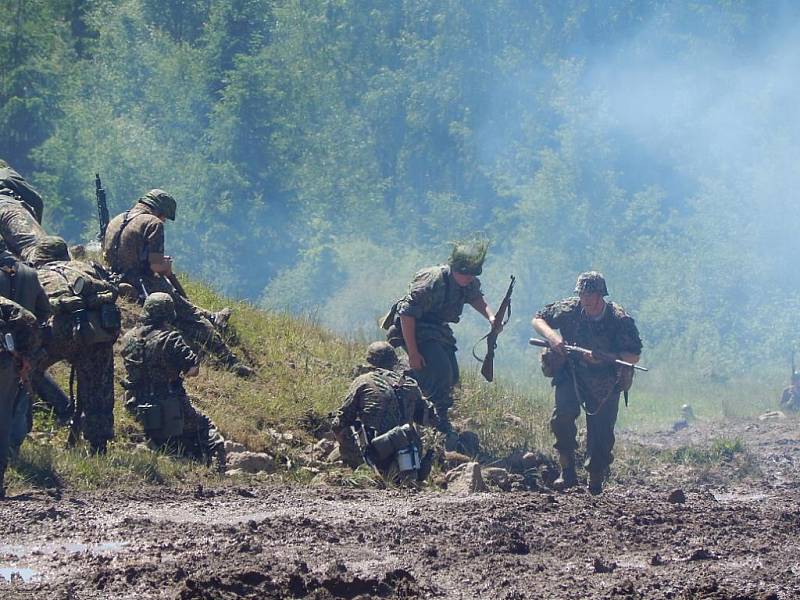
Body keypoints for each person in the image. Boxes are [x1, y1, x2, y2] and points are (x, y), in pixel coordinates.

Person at [103, 189, 250, 376]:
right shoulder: (153, 223)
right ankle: (231, 362)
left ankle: (213, 317)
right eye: (165, 217)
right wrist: (166, 269)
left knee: (186, 307)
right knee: (193, 318)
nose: (164, 221)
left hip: (113, 277)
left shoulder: (116, 220)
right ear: (160, 211)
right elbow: (156, 267)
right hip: (142, 282)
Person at [532, 271, 642, 495]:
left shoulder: (619, 319)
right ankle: (567, 470)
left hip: (606, 379)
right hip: (572, 372)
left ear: (601, 295)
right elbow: (537, 319)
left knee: (601, 431)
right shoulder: (569, 309)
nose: (586, 300)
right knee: (562, 416)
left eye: (590, 295)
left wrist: (607, 356)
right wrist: (554, 338)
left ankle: (595, 479)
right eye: (582, 294)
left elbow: (634, 356)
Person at [382, 238, 499, 448]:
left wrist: (491, 317)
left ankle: (414, 391)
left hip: (437, 328)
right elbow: (406, 315)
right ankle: (437, 419)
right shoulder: (432, 282)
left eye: (472, 274)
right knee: (440, 370)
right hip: (414, 326)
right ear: (454, 267)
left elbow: (476, 299)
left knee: (452, 375)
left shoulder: (468, 282)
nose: (468, 278)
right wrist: (413, 353)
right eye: (465, 273)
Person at [28, 236, 121, 454]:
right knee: (99, 388)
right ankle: (98, 446)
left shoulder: (38, 275)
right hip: (97, 332)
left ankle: (52, 412)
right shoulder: (85, 268)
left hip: (59, 335)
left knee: (29, 370)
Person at [120, 292, 226, 470]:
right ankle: (216, 468)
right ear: (168, 313)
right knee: (205, 425)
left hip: (134, 403)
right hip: (168, 404)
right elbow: (193, 370)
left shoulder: (128, 338)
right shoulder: (170, 338)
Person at [331, 341, 435, 483]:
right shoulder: (410, 384)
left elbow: (339, 422)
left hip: (377, 455)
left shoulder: (363, 381)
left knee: (347, 436)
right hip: (409, 458)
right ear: (394, 362)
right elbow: (428, 418)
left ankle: (361, 471)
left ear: (369, 361)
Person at [0, 240, 52, 454]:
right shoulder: (30, 274)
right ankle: (13, 448)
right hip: (25, 346)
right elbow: (44, 311)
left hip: (3, 345)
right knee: (20, 398)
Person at [0, 296, 42, 499]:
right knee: (2, 419)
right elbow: (30, 318)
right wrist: (24, 355)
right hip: (3, 365)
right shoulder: (3, 304)